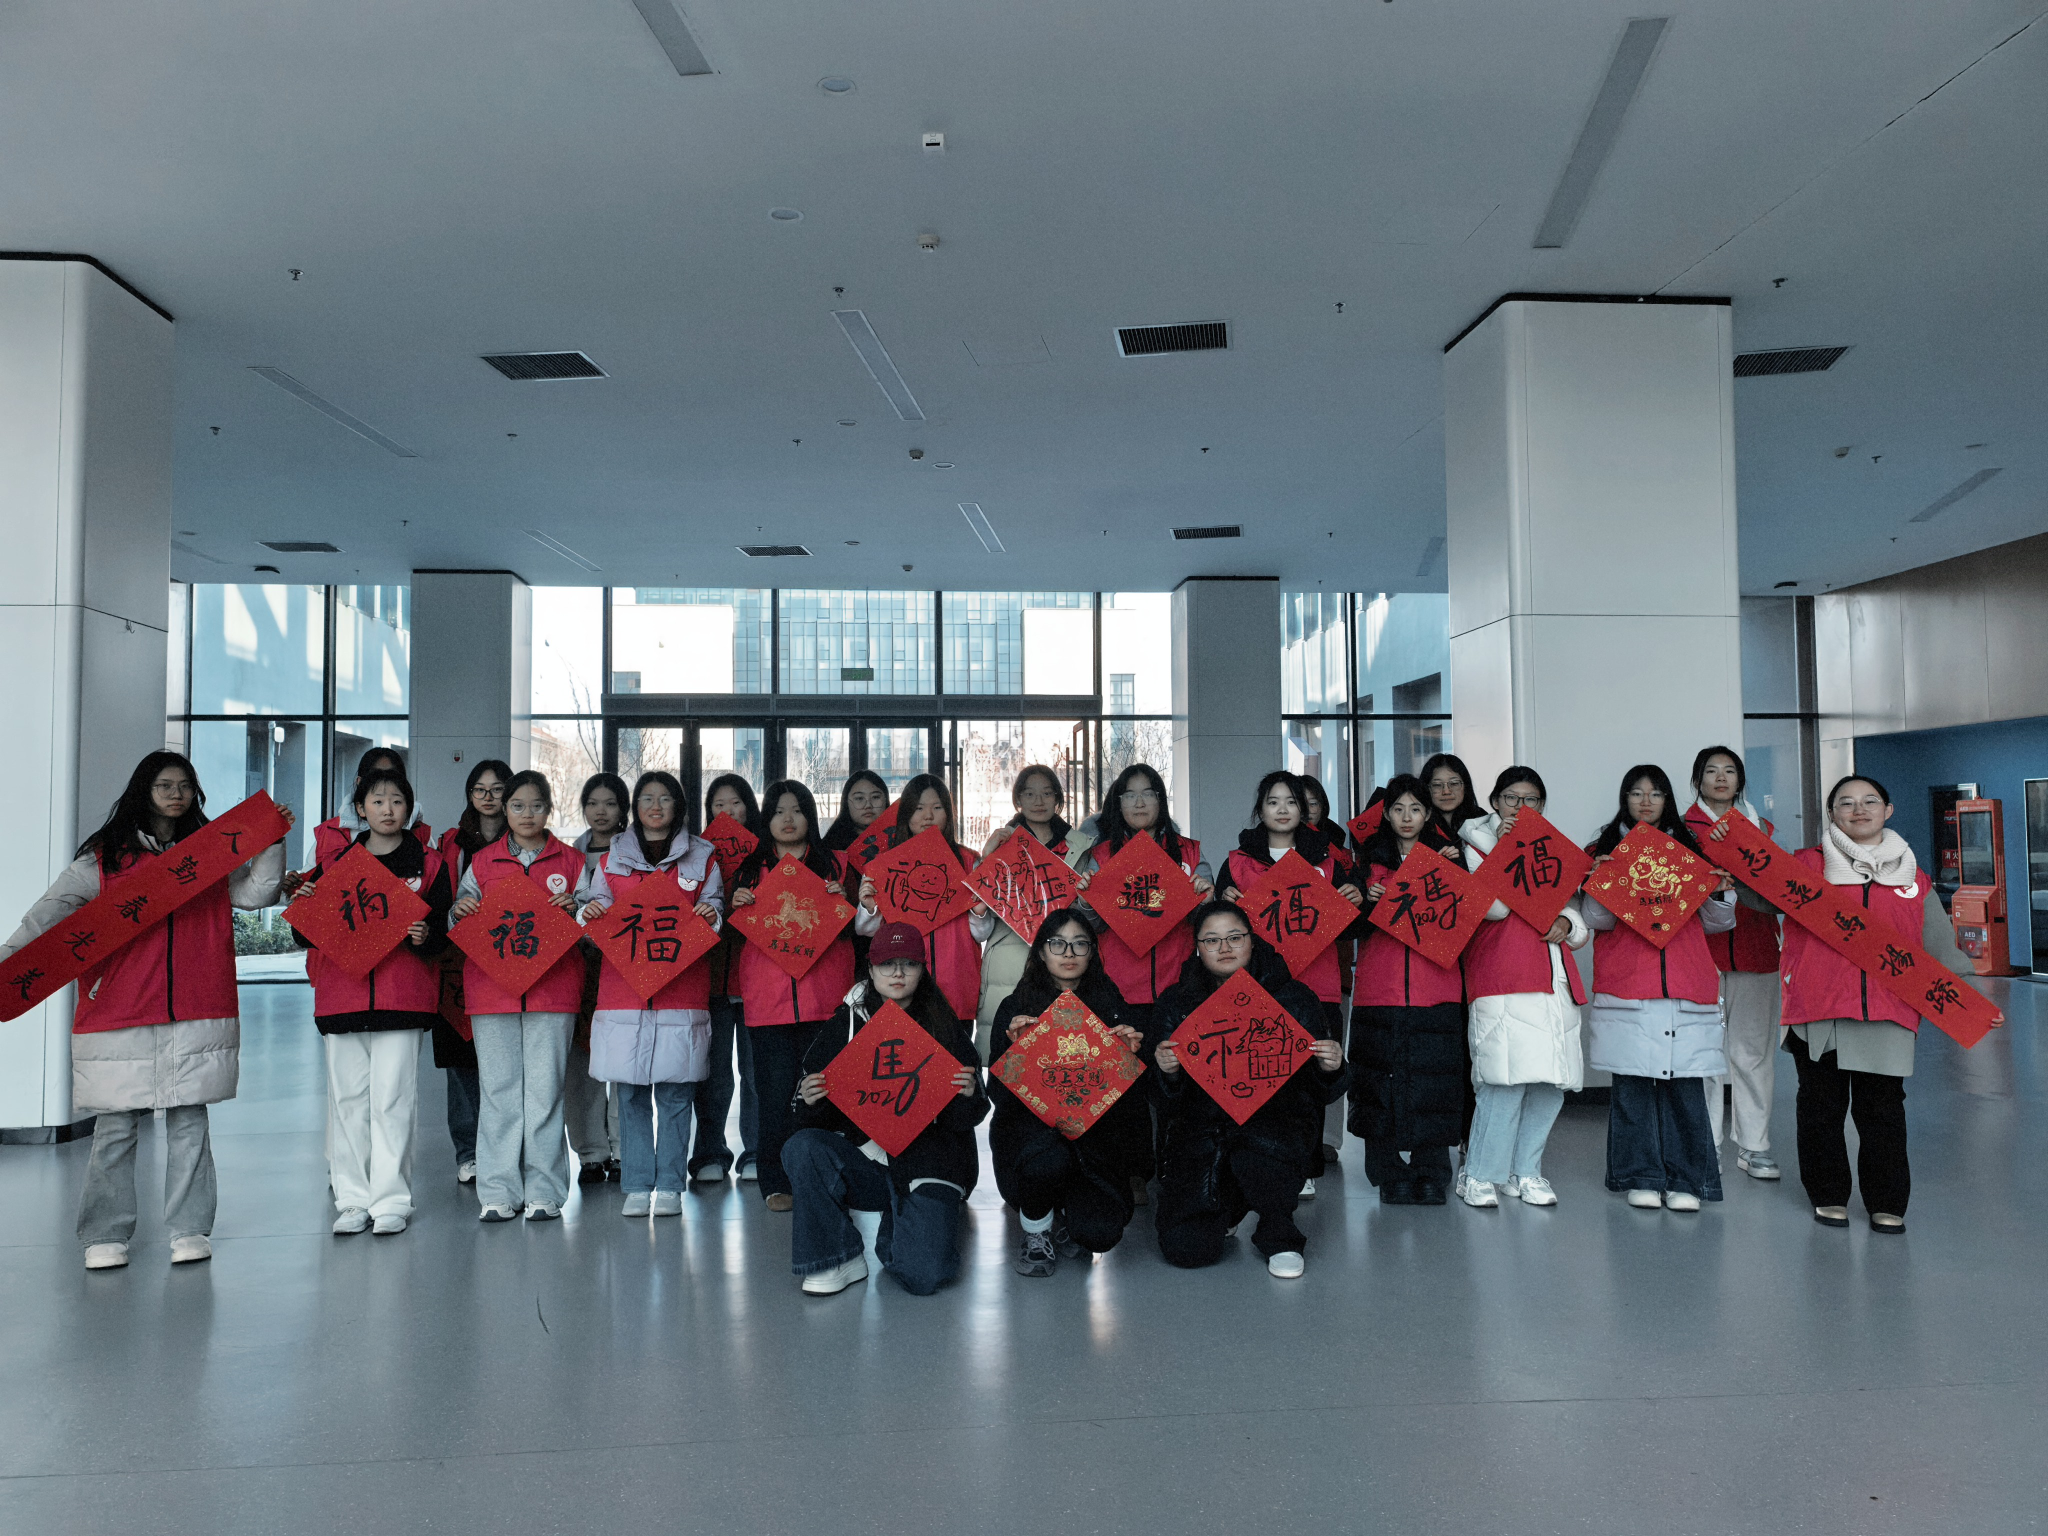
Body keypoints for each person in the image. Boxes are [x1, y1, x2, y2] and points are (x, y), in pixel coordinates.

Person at [0, 752, 290, 1270]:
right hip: (119, 1009)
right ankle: (104, 1234)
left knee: (189, 1123)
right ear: (144, 791)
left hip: (197, 1005)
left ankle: (190, 1230)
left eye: (184, 786)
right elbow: (49, 914)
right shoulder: (105, 860)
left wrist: (270, 841)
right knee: (115, 1128)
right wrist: (8, 962)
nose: (176, 794)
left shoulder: (209, 853)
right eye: (164, 785)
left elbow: (256, 893)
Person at [1717, 774, 2001, 1233]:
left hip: (1887, 1013)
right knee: (1821, 1110)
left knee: (1882, 1112)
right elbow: (1759, 896)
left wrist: (1973, 1004)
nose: (1859, 809)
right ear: (1832, 814)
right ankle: (1827, 1195)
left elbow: (1937, 945)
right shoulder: (1807, 865)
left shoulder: (1912, 877)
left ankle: (1887, 1202)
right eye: (1846, 803)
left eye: (1870, 801)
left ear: (1888, 810)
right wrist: (1729, 856)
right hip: (1819, 1009)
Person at [784, 923, 987, 1296]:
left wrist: (968, 1095)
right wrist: (810, 1100)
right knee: (803, 1147)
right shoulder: (845, 1024)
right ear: (870, 968)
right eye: (887, 964)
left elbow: (972, 1116)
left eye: (909, 964)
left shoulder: (945, 1024)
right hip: (869, 1161)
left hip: (931, 1164)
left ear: (922, 969)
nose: (898, 973)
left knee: (923, 1276)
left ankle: (909, 1218)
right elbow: (810, 1118)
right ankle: (838, 1257)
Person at [293, 767, 453, 1236]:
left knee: (393, 1099)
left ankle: (391, 1201)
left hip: (403, 996)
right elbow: (305, 933)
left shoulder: (429, 864)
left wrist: (425, 936)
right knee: (347, 1101)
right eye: (377, 801)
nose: (388, 809)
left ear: (411, 808)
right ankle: (352, 1200)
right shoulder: (337, 863)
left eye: (397, 800)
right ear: (360, 809)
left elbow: (445, 931)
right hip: (341, 997)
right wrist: (305, 902)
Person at [1149, 902, 1347, 1278]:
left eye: (1235, 937)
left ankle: (1279, 1231)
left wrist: (1331, 1066)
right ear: (1197, 948)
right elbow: (1161, 1098)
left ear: (1252, 941)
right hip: (1202, 1131)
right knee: (1186, 1249)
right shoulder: (1177, 1001)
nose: (1224, 948)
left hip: (1275, 1126)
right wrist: (1167, 1072)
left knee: (1263, 1148)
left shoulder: (1293, 997)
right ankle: (1228, 1205)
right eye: (1212, 940)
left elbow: (1320, 1091)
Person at [1580, 765, 1738, 1213]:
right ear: (1624, 799)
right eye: (1636, 793)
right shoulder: (1603, 851)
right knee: (1632, 1087)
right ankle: (1640, 1175)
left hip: (1686, 980)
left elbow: (1718, 923)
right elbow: (1595, 920)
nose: (1645, 801)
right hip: (1629, 982)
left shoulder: (1692, 849)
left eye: (1655, 793)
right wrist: (1600, 882)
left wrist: (1719, 891)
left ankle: (1688, 1179)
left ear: (1668, 799)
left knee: (1685, 1088)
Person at [577, 771, 724, 1218]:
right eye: (646, 798)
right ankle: (638, 1184)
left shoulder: (703, 856)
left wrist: (710, 914)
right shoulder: (612, 858)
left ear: (679, 805)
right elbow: (593, 915)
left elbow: (717, 908)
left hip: (682, 991)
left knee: (676, 1095)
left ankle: (671, 1186)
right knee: (631, 1095)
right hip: (624, 992)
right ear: (635, 807)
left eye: (664, 798)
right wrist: (591, 913)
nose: (655, 806)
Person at [447, 769, 584, 1221]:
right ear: (505, 810)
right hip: (492, 992)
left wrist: (578, 910)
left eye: (537, 806)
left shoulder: (571, 862)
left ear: (549, 810)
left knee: (545, 1093)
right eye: (518, 806)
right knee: (499, 1092)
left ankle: (545, 1191)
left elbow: (595, 920)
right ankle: (498, 1191)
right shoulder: (483, 862)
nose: (528, 815)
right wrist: (459, 910)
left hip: (553, 992)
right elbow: (457, 916)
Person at [1219, 770, 1364, 1192]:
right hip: (1257, 988)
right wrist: (1223, 902)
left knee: (1311, 1079)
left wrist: (1355, 901)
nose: (1282, 810)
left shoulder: (1329, 860)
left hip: (1318, 985)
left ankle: (1304, 1165)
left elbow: (1354, 928)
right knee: (1263, 1074)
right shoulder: (1238, 862)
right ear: (1260, 810)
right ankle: (1265, 1161)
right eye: (1273, 801)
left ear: (1304, 810)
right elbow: (1218, 927)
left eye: (1291, 802)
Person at [1453, 768, 1590, 1209]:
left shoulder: (1552, 850)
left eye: (1531, 800)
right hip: (1502, 975)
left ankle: (1524, 1170)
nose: (1520, 807)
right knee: (1503, 1083)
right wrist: (1508, 850)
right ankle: (1478, 1173)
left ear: (1542, 807)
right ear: (1495, 801)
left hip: (1553, 977)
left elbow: (1574, 913)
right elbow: (1492, 908)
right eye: (1511, 798)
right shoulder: (1473, 845)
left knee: (1550, 1083)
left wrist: (1567, 922)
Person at [987, 908, 1147, 1276]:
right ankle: (1036, 1228)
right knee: (1048, 1160)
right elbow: (998, 1096)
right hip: (1033, 1144)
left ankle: (1068, 1214)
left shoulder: (1111, 1004)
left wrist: (1129, 1059)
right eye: (1057, 944)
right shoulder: (1016, 1008)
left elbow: (1131, 1101)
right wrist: (1016, 1056)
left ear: (1092, 952)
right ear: (1041, 952)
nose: (1069, 953)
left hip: (1094, 1144)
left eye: (1080, 944)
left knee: (1100, 1233)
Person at [727, 779, 857, 1211]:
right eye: (779, 811)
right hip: (769, 1004)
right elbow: (731, 936)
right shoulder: (749, 871)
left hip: (827, 1000)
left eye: (797, 810)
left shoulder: (836, 865)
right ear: (766, 819)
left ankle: (829, 1177)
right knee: (775, 1096)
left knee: (829, 1092)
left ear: (810, 817)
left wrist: (845, 903)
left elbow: (862, 928)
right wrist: (736, 907)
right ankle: (776, 1180)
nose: (788, 819)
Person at [1351, 774, 1473, 1205]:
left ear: (1428, 815)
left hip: (1436, 986)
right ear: (1385, 814)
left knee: (1434, 1084)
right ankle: (1388, 1173)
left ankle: (1431, 1172)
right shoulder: (1366, 863)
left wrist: (1456, 870)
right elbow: (1347, 927)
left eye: (1416, 809)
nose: (1407, 817)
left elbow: (1468, 919)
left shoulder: (1449, 859)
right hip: (1379, 989)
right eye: (1399, 809)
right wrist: (1366, 901)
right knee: (1378, 1084)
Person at [1683, 747, 1784, 1180]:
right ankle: (1704, 1144)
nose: (1721, 778)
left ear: (1740, 781)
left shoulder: (1761, 829)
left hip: (1756, 947)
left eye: (1729, 771)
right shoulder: (1679, 830)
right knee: (1702, 1053)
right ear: (1698, 780)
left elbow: (1780, 890)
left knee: (1752, 1052)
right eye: (1711, 771)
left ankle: (1754, 1145)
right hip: (1698, 951)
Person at [855, 774, 994, 1024]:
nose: (928, 816)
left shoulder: (969, 862)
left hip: (956, 984)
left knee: (955, 1048)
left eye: (937, 808)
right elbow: (866, 930)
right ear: (906, 814)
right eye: (919, 808)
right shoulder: (885, 866)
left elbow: (981, 934)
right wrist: (869, 908)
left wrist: (979, 911)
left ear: (948, 814)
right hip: (903, 987)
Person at [431, 759, 511, 1185]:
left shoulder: (524, 839)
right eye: (479, 789)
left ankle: (507, 1149)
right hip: (458, 962)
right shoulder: (451, 842)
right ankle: (469, 1151)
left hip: (510, 959)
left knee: (504, 1062)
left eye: (497, 789)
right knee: (462, 1061)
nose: (488, 797)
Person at [974, 764, 1074, 1063]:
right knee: (1007, 1054)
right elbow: (982, 908)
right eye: (1029, 794)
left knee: (1061, 1054)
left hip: (1063, 957)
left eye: (1047, 793)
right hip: (1008, 958)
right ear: (1018, 799)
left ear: (1058, 798)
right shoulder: (1002, 845)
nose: (1039, 801)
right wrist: (988, 857)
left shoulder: (1079, 847)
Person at [694, 772, 760, 1183]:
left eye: (736, 803)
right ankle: (709, 1153)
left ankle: (756, 1152)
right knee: (712, 1074)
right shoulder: (696, 855)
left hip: (755, 983)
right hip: (710, 981)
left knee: (755, 1074)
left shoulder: (767, 855)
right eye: (719, 805)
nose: (728, 812)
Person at [566, 772, 628, 1185]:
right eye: (592, 803)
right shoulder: (569, 856)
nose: (600, 811)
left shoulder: (633, 854)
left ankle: (623, 1149)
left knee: (622, 1061)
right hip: (577, 968)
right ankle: (591, 1152)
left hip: (621, 968)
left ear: (623, 809)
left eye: (609, 803)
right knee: (581, 1063)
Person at [309, 746, 429, 865]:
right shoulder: (329, 832)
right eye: (376, 777)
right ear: (359, 782)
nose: (387, 811)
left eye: (392, 776)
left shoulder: (421, 833)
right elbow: (311, 875)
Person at [1418, 752, 1486, 840]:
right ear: (1426, 788)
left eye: (1454, 783)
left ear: (1465, 786)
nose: (1446, 791)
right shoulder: (1417, 824)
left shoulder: (1481, 819)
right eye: (1437, 785)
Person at [822, 769, 890, 855]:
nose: (868, 805)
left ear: (886, 800)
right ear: (846, 803)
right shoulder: (827, 849)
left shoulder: (900, 839)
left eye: (875, 797)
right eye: (859, 798)